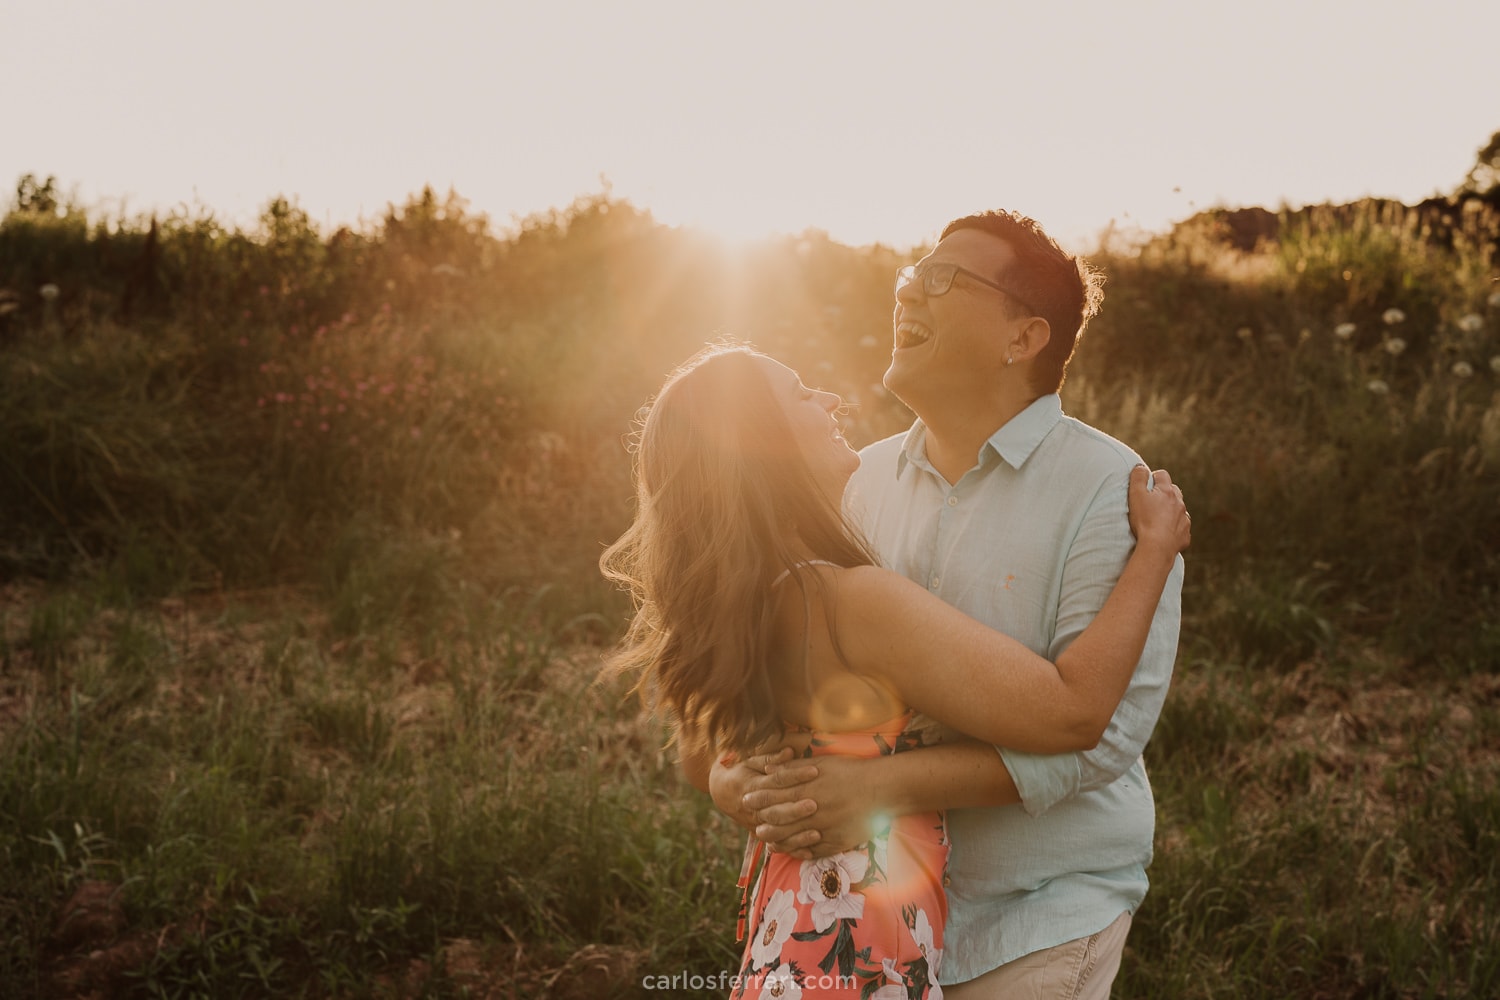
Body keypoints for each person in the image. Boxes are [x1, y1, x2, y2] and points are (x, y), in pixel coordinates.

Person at [601, 342, 1189, 998]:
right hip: (858, 955)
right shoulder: (849, 606)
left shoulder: (738, 610)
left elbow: (698, 759)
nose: (829, 399)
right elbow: (1073, 710)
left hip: (789, 947)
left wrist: (739, 784)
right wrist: (1153, 554)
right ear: (762, 448)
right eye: (801, 394)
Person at [712, 210, 1187, 999]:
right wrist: (739, 784)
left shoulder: (1110, 491)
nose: (907, 293)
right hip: (874, 904)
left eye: (941, 280)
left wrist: (883, 788)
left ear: (1023, 337)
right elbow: (756, 668)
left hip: (1038, 901)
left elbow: (1101, 734)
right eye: (910, 274)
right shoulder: (852, 480)